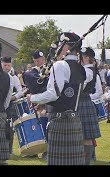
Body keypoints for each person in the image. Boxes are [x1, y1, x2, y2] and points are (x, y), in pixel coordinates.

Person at [27, 32, 86, 165]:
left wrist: (33, 98)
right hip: (75, 120)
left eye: (60, 44)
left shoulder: (60, 65)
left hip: (59, 122)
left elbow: (54, 93)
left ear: (66, 47)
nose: (58, 47)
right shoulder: (81, 68)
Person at [22, 49, 49, 159]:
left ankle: (47, 150)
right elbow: (35, 84)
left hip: (49, 102)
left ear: (44, 59)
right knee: (37, 127)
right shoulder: (31, 73)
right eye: (36, 61)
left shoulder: (51, 69)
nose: (39, 62)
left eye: (41, 60)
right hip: (37, 102)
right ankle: (33, 150)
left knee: (47, 126)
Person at [78, 47, 101, 165]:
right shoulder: (91, 70)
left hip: (82, 103)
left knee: (85, 137)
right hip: (84, 103)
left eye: (81, 56)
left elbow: (79, 88)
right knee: (84, 137)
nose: (79, 59)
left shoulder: (87, 71)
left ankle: (85, 162)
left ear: (86, 58)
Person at [1, 56, 23, 154]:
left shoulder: (14, 78)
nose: (7, 67)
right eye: (5, 65)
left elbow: (20, 91)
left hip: (10, 106)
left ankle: (9, 150)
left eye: (8, 65)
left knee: (9, 128)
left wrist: (13, 98)